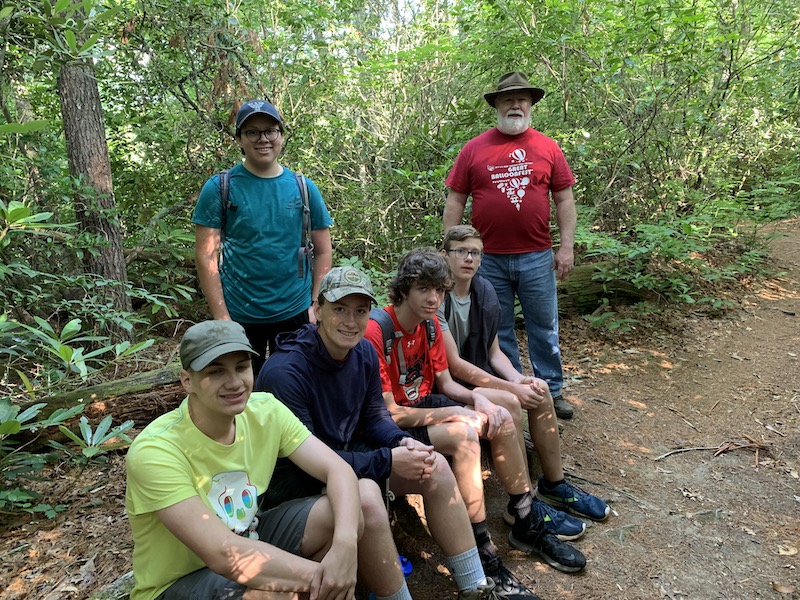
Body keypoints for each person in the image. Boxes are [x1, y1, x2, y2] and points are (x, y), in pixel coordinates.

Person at [256, 266, 535, 599]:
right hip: (295, 485)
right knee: (366, 497)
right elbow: (307, 464)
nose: (350, 321)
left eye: (360, 311)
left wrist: (401, 442)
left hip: (348, 456)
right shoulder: (287, 372)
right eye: (339, 309)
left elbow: (375, 416)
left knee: (433, 465)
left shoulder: (361, 352)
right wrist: (387, 460)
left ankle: (476, 585)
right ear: (317, 310)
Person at [125, 320, 408, 600]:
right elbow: (223, 553)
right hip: (180, 582)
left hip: (251, 536)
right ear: (187, 380)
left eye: (241, 367)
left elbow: (338, 470)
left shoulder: (265, 411)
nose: (234, 383)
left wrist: (345, 547)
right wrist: (331, 577)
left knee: (361, 495)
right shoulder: (156, 451)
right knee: (274, 593)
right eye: (216, 371)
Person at [364, 248, 587, 575]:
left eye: (439, 290)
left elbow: (445, 383)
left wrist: (477, 400)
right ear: (404, 289)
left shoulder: (430, 325)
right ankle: (481, 545)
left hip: (424, 405)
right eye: (423, 289)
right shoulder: (376, 330)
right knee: (465, 433)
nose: (433, 298)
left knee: (501, 418)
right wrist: (459, 414)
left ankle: (524, 517)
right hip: (393, 424)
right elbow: (392, 414)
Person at [439, 225, 610, 523]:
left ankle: (554, 484)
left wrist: (518, 380)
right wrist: (510, 389)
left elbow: (494, 353)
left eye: (476, 253)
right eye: (461, 251)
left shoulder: (484, 290)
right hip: (448, 387)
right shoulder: (437, 297)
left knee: (539, 389)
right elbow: (454, 365)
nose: (469, 259)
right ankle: (524, 502)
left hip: (477, 379)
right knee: (510, 401)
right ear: (445, 255)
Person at [443, 72, 576, 419]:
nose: (515, 105)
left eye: (522, 99)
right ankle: (513, 391)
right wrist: (452, 250)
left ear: (530, 105)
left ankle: (552, 391)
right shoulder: (474, 148)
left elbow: (564, 199)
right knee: (497, 330)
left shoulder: (548, 147)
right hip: (487, 260)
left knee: (544, 326)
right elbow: (455, 200)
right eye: (508, 99)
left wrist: (566, 248)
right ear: (497, 105)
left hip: (537, 255)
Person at [193, 99, 333, 375]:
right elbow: (206, 256)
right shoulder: (220, 188)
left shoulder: (303, 187)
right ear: (239, 139)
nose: (263, 139)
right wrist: (222, 317)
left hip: (295, 310)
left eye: (270, 131)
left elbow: (323, 250)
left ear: (281, 135)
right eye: (252, 132)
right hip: (240, 314)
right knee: (243, 389)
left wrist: (316, 304)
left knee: (295, 384)